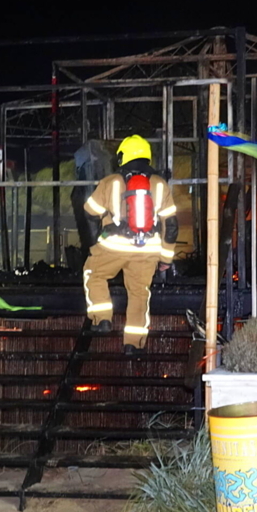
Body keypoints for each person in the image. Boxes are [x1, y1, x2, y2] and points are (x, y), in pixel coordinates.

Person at [82, 135, 179, 354]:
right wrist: (165, 259)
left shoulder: (110, 182)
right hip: (148, 249)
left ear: (122, 156)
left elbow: (89, 213)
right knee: (139, 293)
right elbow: (171, 226)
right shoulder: (160, 184)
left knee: (93, 274)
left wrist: (93, 242)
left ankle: (102, 320)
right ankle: (133, 345)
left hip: (113, 247)